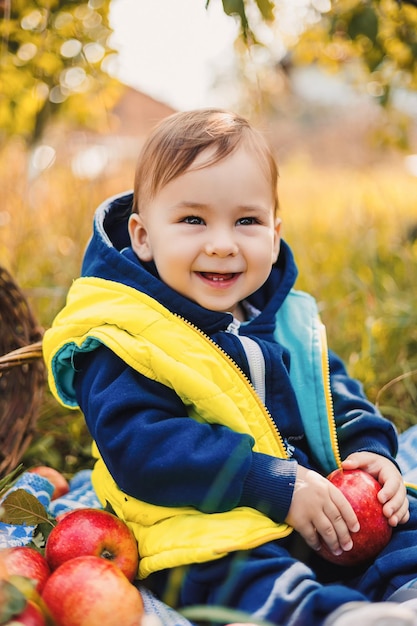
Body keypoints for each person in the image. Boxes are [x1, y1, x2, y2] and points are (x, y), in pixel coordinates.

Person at [43, 109, 417, 626]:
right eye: (193, 220)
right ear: (143, 236)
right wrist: (272, 483)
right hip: (202, 514)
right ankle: (330, 617)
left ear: (274, 231)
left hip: (315, 497)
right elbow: (142, 447)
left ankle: (405, 592)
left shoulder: (279, 316)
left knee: (401, 522)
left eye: (247, 221)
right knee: (227, 569)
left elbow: (331, 392)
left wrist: (371, 453)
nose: (222, 242)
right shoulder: (123, 335)